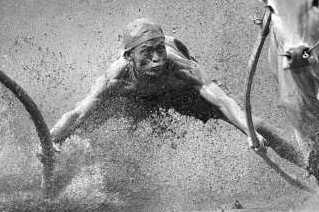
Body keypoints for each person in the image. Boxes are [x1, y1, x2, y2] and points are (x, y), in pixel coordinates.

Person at [48, 18, 304, 168]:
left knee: (257, 125)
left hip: (179, 95)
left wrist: (250, 132)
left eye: (160, 49)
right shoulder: (114, 78)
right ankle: (56, 171)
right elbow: (78, 112)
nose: (157, 58)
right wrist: (51, 139)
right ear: (129, 57)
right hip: (134, 100)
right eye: (147, 53)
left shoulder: (180, 67)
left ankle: (311, 165)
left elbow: (222, 100)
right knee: (81, 128)